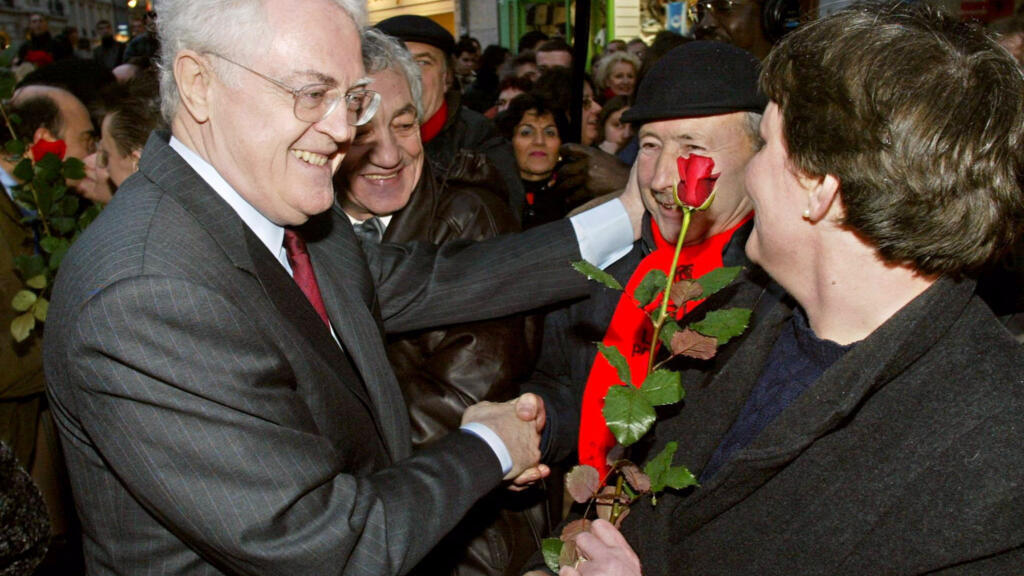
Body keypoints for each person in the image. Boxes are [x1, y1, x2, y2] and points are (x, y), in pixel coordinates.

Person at [42, 1, 644, 574]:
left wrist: (627, 213)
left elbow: (452, 276)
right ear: (199, 84)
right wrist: (490, 445)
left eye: (351, 97)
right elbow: (325, 546)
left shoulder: (291, 221)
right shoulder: (148, 291)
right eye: (311, 95)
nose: (342, 130)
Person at [546, 4, 1024, 574]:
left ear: (819, 187)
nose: (749, 174)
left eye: (767, 145)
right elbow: (641, 473)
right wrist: (565, 553)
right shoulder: (738, 313)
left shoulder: (994, 452)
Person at [336, 29, 549, 576]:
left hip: (462, 539)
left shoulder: (470, 220)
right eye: (364, 130)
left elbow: (461, 399)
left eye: (404, 125)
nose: (388, 152)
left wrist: (314, 449)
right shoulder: (308, 226)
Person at [523, 40, 764, 474]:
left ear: (761, 155)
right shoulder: (602, 262)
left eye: (692, 148)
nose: (661, 178)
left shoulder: (775, 290)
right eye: (650, 146)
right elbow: (563, 384)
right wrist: (536, 424)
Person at [375, 15, 525, 220]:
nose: (409, 75)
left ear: (446, 78)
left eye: (422, 63)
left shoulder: (480, 143)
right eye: (395, 63)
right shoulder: (352, 138)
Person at [498, 93, 576, 228]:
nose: (539, 142)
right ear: (510, 140)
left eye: (550, 133)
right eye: (526, 132)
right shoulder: (494, 196)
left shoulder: (577, 197)